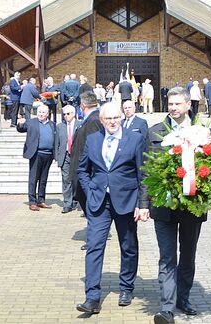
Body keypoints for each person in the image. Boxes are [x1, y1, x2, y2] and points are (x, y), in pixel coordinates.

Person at [75, 102, 149, 314]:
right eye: (108, 118)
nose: (113, 122)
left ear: (121, 117)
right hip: (99, 202)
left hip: (126, 201)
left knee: (128, 246)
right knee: (94, 247)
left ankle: (126, 287)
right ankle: (92, 297)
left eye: (116, 117)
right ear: (102, 120)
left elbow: (142, 174)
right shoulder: (92, 139)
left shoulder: (134, 139)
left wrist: (141, 203)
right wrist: (91, 191)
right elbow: (82, 170)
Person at [147, 86, 205, 323]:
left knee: (188, 254)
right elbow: (146, 171)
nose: (173, 108)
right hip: (163, 206)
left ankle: (184, 297)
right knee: (167, 256)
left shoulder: (202, 132)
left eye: (177, 104)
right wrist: (143, 204)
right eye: (170, 104)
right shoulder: (155, 132)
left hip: (192, 206)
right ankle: (167, 307)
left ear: (188, 104)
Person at [18, 104, 57, 211]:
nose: (40, 114)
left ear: (47, 114)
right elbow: (21, 129)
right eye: (39, 112)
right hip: (36, 154)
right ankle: (32, 201)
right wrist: (20, 124)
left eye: (43, 112)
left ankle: (41, 200)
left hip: (48, 155)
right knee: (33, 178)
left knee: (43, 179)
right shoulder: (31, 122)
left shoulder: (52, 124)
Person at [69, 91, 102, 217]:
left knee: (92, 212)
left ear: (82, 105)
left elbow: (93, 149)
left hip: (86, 174)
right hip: (82, 172)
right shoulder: (89, 119)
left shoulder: (94, 120)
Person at [58, 105, 83, 213]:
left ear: (73, 114)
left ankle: (78, 201)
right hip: (65, 156)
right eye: (64, 114)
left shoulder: (80, 125)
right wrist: (57, 157)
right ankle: (67, 203)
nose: (66, 116)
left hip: (77, 156)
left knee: (77, 180)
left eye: (68, 114)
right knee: (66, 180)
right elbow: (57, 143)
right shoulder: (60, 126)